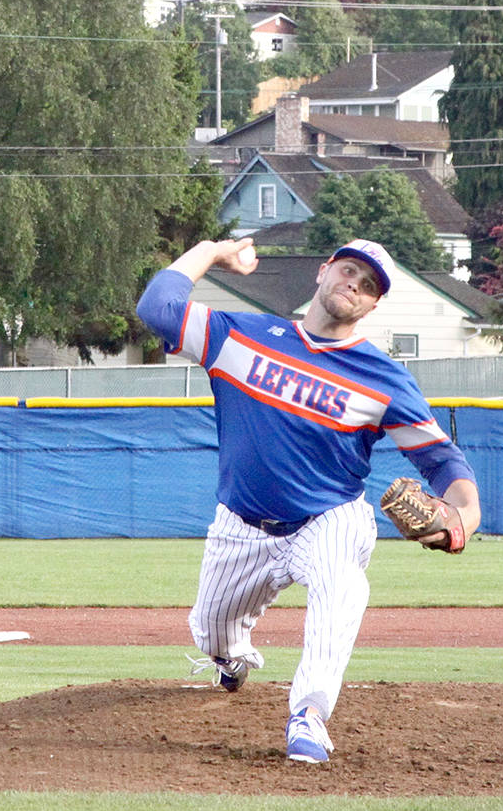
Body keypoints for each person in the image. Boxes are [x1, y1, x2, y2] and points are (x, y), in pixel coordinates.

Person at [136, 236, 480, 764]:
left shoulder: (385, 378)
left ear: (373, 305)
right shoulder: (240, 337)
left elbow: (442, 461)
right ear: (323, 272)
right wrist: (210, 250)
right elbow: (157, 307)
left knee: (343, 582)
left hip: (329, 517)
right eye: (348, 271)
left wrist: (464, 516)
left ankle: (310, 716)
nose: (354, 286)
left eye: (368, 286)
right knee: (212, 632)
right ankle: (232, 657)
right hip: (242, 526)